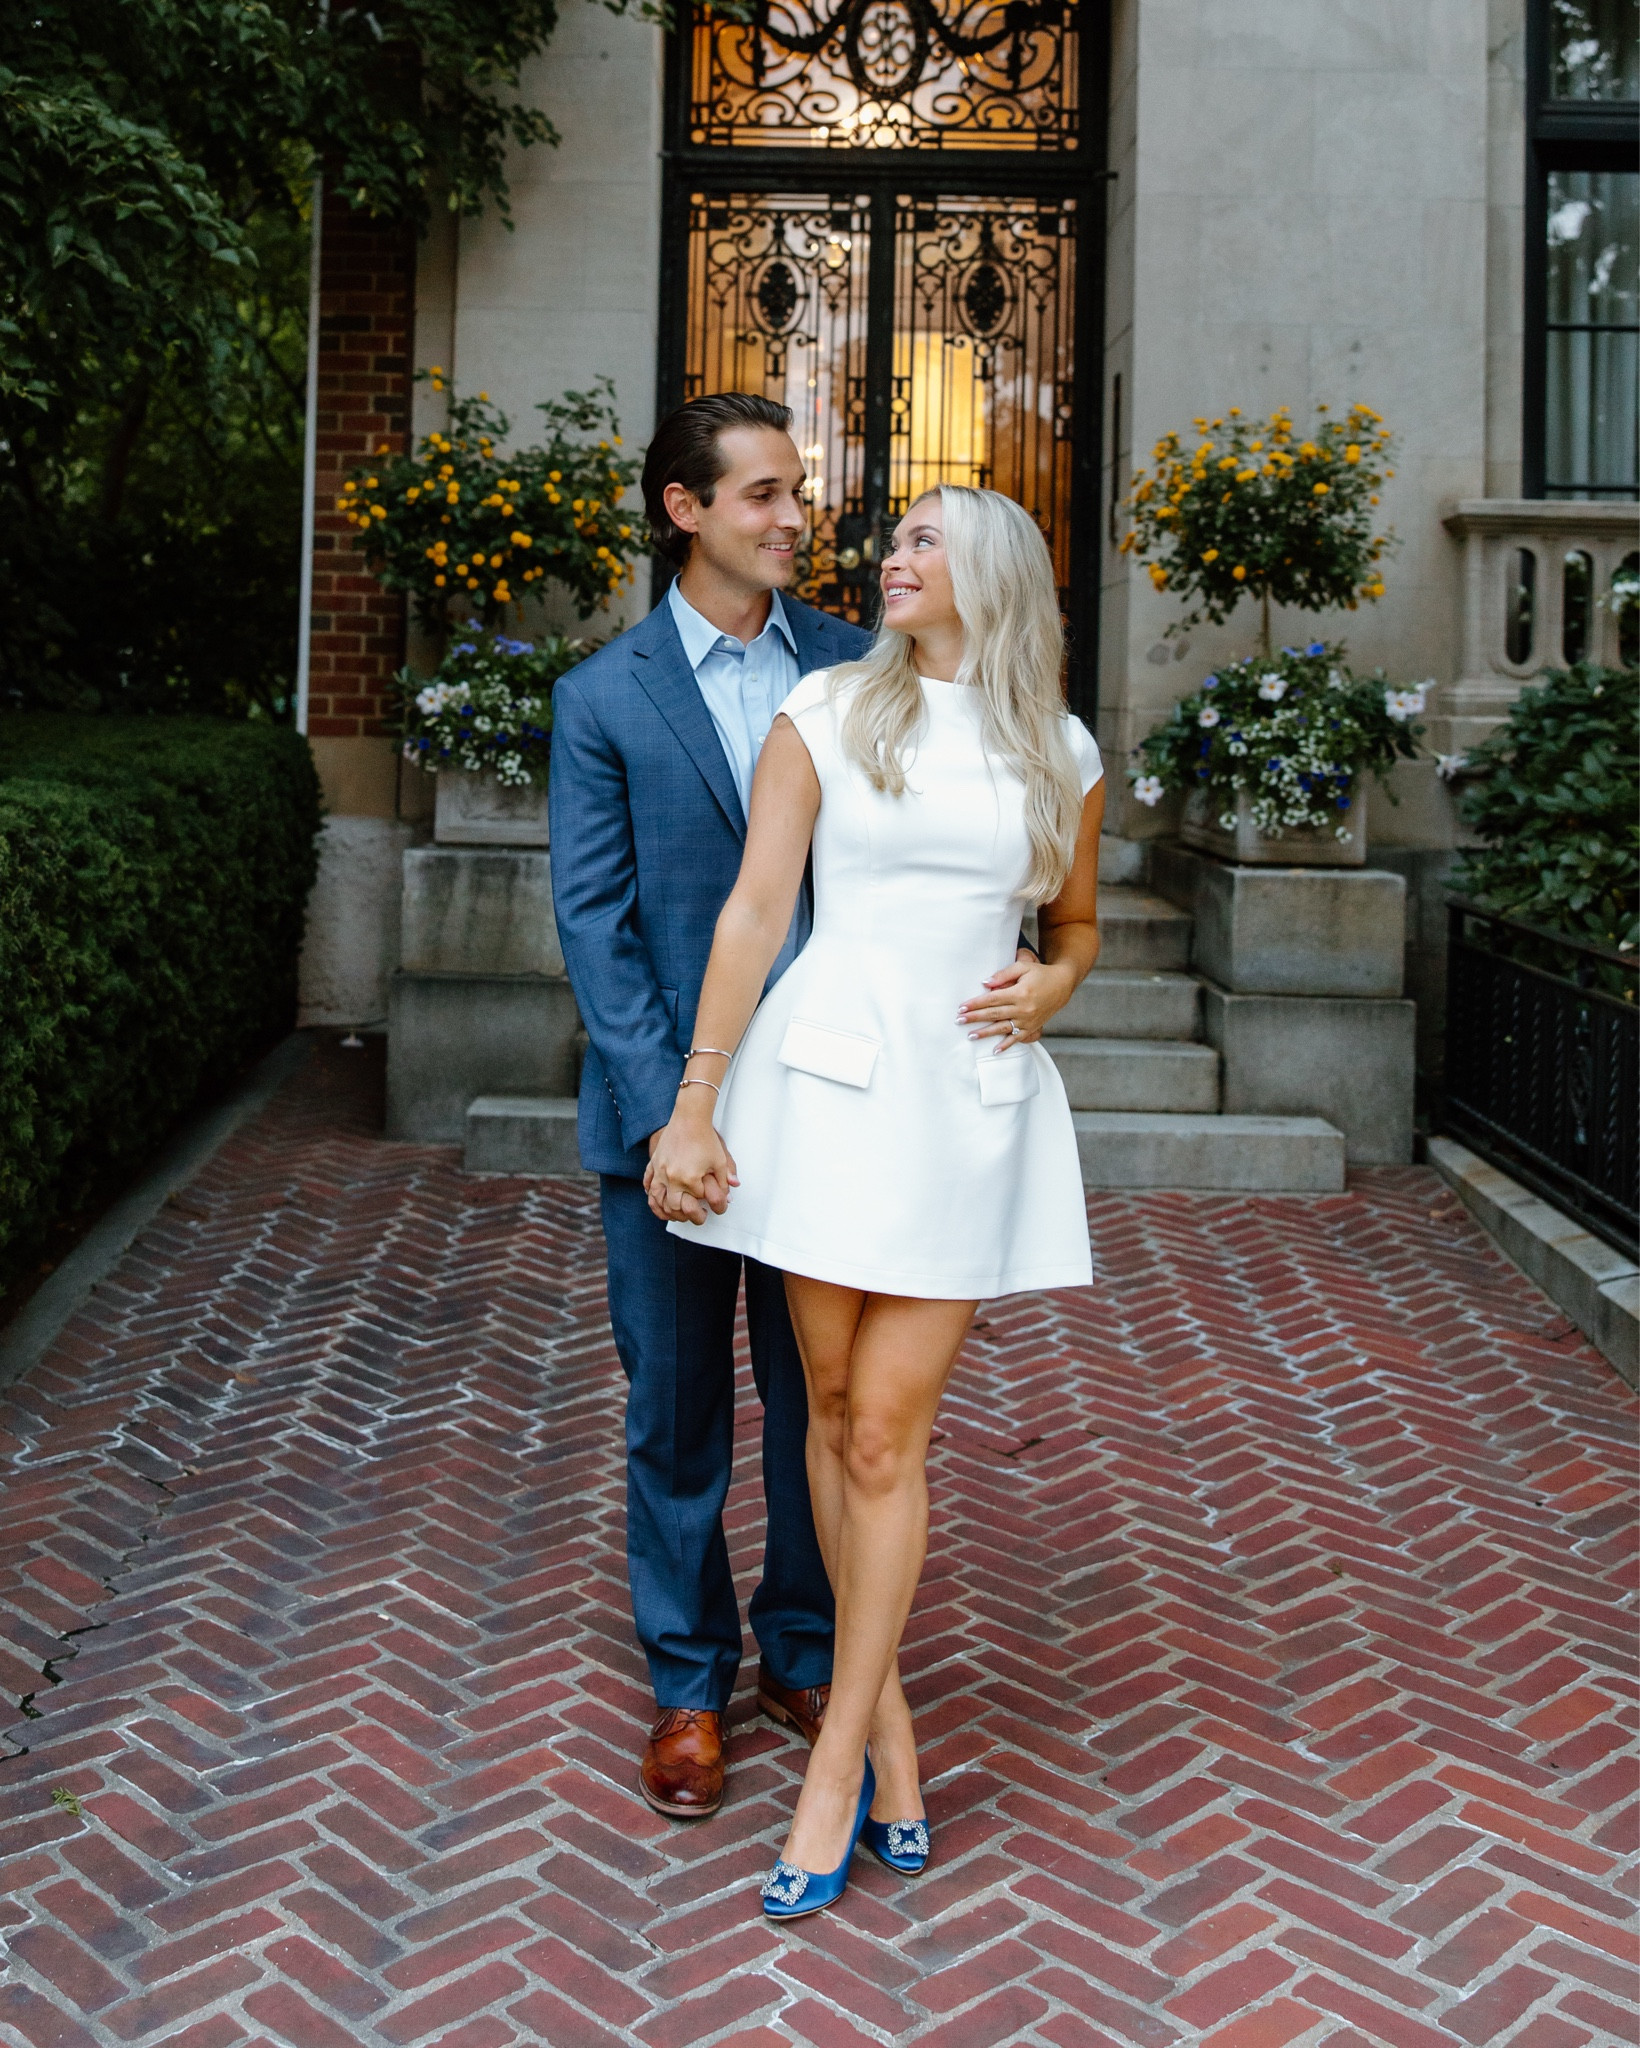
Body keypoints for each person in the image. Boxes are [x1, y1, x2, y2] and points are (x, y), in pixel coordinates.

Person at [646, 483, 1106, 1918]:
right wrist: (696, 1102)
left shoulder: (1062, 748)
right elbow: (753, 915)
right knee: (835, 1419)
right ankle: (894, 1733)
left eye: (924, 542)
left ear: (994, 575)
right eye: (894, 541)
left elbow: (1074, 926)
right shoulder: (829, 714)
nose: (891, 560)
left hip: (964, 1112)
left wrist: (1058, 982)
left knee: (891, 1432)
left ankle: (836, 1762)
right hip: (828, 1097)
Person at [549, 394, 872, 1820]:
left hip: (835, 1112)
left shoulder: (864, 672)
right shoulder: (603, 698)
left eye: (798, 492)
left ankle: (801, 1649)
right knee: (675, 1413)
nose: (796, 515)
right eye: (765, 495)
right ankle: (688, 1683)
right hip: (667, 1127)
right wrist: (670, 1115)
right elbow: (598, 928)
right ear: (686, 511)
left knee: (821, 1400)